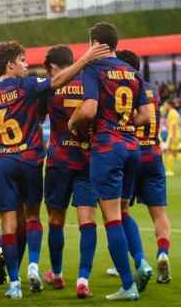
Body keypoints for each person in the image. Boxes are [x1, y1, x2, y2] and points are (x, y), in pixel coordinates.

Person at [0, 40, 109, 299]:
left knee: (8, 222)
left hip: (2, 163)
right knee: (33, 217)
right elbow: (54, 82)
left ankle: (15, 283)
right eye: (22, 60)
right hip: (32, 160)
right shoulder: (28, 85)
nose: (27, 64)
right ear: (10, 65)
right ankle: (34, 264)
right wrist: (85, 59)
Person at [69, 22, 153, 301]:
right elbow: (145, 116)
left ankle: (128, 285)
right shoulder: (132, 72)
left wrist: (74, 121)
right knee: (124, 211)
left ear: (95, 44)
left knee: (112, 218)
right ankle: (141, 262)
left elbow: (90, 109)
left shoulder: (93, 69)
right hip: (132, 148)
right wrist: (124, 122)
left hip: (107, 147)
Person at [99, 49, 172, 285]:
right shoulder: (151, 90)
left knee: (120, 212)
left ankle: (133, 261)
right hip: (153, 152)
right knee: (159, 213)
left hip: (128, 150)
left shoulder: (123, 86)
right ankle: (162, 252)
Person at [40, 45, 98, 298]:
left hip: (59, 161)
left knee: (55, 220)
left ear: (52, 66)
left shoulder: (51, 87)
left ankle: (57, 273)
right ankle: (83, 279)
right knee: (88, 221)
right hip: (87, 160)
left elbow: (38, 117)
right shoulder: (89, 83)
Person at [163, 99, 181, 176]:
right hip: (176, 135)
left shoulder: (172, 113)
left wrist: (172, 137)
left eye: (165, 104)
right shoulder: (174, 113)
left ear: (169, 105)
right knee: (175, 153)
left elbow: (173, 126)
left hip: (174, 135)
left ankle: (170, 171)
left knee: (169, 152)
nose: (164, 106)